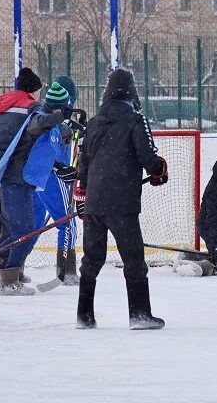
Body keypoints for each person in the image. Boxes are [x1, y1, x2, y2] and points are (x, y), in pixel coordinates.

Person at [75, 68, 168, 330]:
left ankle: (84, 316)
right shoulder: (135, 119)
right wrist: (159, 169)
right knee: (133, 260)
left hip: (94, 202)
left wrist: (83, 195)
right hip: (122, 203)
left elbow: (84, 163)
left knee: (91, 260)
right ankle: (139, 314)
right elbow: (148, 158)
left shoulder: (93, 123)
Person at [0, 68, 73, 296]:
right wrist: (61, 116)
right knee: (24, 230)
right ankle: (6, 279)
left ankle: (3, 274)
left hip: (24, 182)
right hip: (15, 180)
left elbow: (42, 157)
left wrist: (62, 168)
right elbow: (38, 124)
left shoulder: (51, 126)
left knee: (25, 230)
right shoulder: (36, 116)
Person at [0, 67, 52, 290]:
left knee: (4, 222)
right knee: (21, 228)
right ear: (32, 90)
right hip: (8, 172)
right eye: (39, 90)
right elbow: (40, 130)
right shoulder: (30, 107)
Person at [31, 79, 82, 285]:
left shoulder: (42, 116)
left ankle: (5, 266)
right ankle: (67, 272)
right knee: (67, 221)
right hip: (53, 177)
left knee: (30, 225)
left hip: (35, 179)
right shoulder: (57, 123)